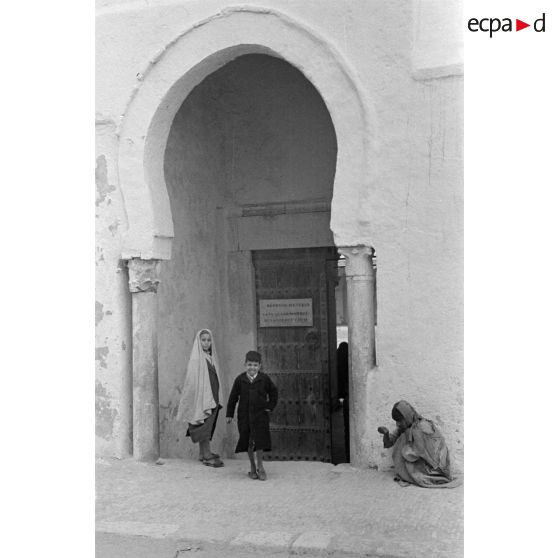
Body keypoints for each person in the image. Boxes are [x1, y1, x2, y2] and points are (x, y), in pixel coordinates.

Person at [377, 400, 460, 487]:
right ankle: (409, 474)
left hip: (434, 469)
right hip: (422, 464)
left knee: (404, 442)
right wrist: (386, 434)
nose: (398, 424)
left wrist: (406, 449)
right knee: (403, 437)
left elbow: (429, 455)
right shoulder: (406, 426)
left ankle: (422, 476)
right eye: (396, 421)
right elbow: (389, 443)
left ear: (406, 416)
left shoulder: (422, 427)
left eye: (399, 421)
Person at [226, 351, 278, 481]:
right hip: (245, 417)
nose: (252, 368)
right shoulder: (240, 379)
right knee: (249, 442)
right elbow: (233, 398)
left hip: (260, 416)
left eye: (255, 365)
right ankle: (253, 467)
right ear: (245, 365)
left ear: (259, 366)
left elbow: (274, 392)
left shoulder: (264, 379)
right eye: (249, 364)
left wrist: (269, 406)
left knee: (259, 442)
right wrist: (229, 414)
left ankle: (261, 467)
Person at [177, 329, 224, 467]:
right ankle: (207, 454)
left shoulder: (211, 356)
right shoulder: (197, 358)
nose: (206, 343)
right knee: (204, 425)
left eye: (209, 340)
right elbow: (192, 381)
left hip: (212, 395)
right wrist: (200, 397)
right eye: (203, 340)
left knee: (208, 424)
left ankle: (203, 453)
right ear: (199, 341)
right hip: (203, 397)